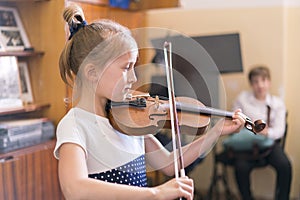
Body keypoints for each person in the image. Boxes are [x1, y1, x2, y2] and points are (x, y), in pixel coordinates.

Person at [53, 4, 246, 200]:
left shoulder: (127, 120)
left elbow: (170, 163)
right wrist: (155, 193)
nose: (134, 78)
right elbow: (74, 188)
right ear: (92, 72)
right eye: (126, 67)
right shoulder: (75, 125)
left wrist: (215, 132)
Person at [229, 66, 292, 200]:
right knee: (240, 168)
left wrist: (266, 132)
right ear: (251, 84)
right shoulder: (242, 100)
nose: (260, 85)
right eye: (256, 81)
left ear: (269, 82)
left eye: (263, 80)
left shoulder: (277, 104)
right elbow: (234, 123)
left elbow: (280, 131)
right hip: (246, 145)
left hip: (269, 145)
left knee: (285, 165)